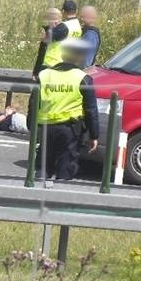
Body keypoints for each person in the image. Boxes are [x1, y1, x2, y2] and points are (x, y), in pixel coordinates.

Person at [35, 37, 99, 181]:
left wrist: (31, 126)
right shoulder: (83, 78)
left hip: (45, 128)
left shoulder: (44, 75)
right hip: (69, 130)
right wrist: (94, 135)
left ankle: (35, 196)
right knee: (65, 169)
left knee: (42, 169)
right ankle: (60, 199)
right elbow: (90, 110)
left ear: (63, 54)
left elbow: (34, 102)